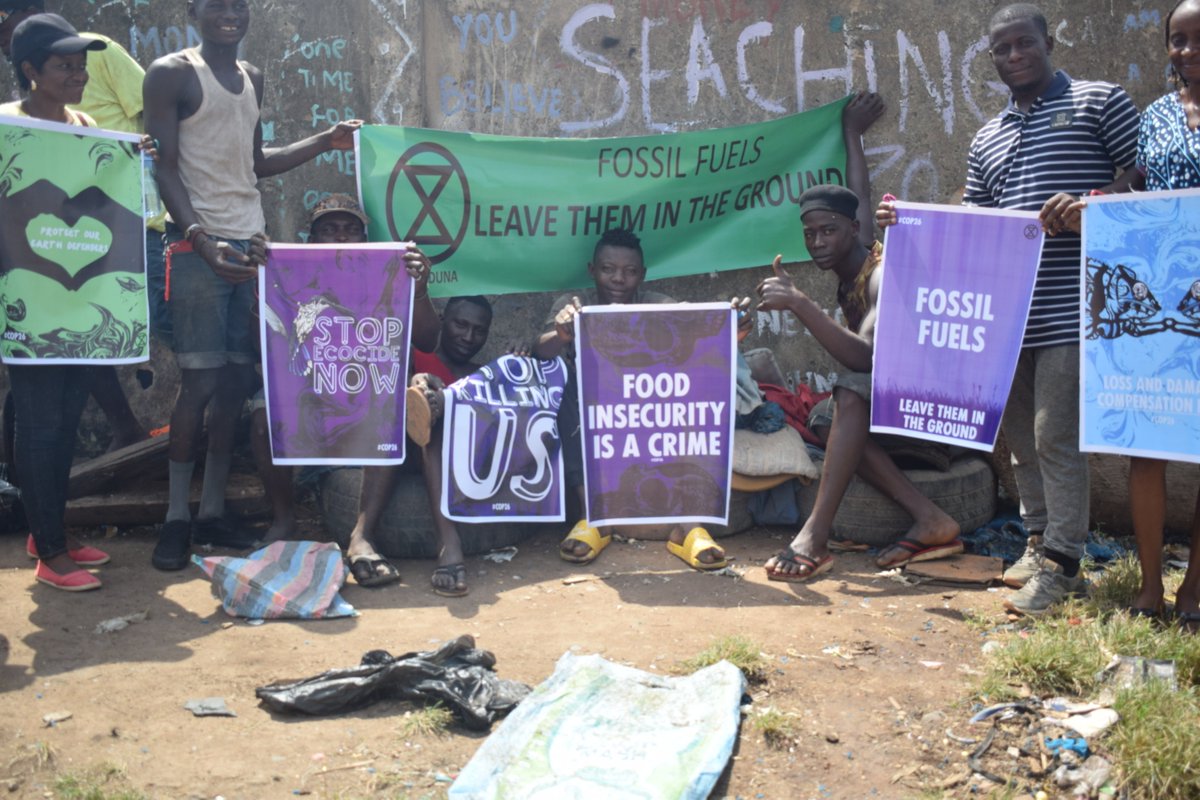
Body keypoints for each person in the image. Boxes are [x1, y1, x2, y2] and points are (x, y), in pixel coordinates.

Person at [879, 3, 1140, 615]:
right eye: (1003, 49)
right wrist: (909, 220)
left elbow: (1143, 178)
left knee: (1056, 438)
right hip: (1006, 318)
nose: (1015, 56)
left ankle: (1065, 568)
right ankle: (1037, 539)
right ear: (992, 59)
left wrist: (1090, 204)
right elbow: (973, 222)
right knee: (1021, 440)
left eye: (1025, 44)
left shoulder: (1100, 101)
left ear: (1049, 42)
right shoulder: (988, 137)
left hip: (1079, 306)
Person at [143, 0, 362, 570]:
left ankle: (212, 511)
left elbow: (256, 163)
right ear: (195, 11)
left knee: (238, 382)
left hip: (252, 248)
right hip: (197, 250)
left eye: (238, 7)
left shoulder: (252, 78)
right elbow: (163, 167)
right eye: (217, 7)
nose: (229, 15)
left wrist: (323, 140)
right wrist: (199, 236)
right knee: (197, 383)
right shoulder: (171, 74)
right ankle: (175, 520)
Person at [0, 13, 145, 590]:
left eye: (81, 65)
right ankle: (50, 554)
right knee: (39, 422)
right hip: (27, 300)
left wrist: (135, 160)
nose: (79, 75)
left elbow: (98, 202)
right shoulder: (5, 127)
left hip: (79, 297)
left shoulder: (84, 124)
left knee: (64, 420)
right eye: (65, 66)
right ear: (30, 70)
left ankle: (48, 532)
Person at [756, 183, 962, 582]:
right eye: (809, 233)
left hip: (936, 422)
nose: (817, 241)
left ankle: (814, 538)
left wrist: (799, 303)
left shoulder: (881, 274)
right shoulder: (854, 259)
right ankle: (931, 519)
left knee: (850, 390)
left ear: (853, 230)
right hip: (897, 415)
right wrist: (851, 132)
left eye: (828, 230)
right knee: (822, 416)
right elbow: (861, 194)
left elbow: (867, 359)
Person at [533, 227, 751, 571]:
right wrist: (560, 334)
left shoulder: (659, 305)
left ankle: (688, 524)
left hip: (650, 409)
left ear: (643, 274)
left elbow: (696, 335)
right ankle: (593, 516)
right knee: (568, 385)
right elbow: (540, 353)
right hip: (597, 419)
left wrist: (729, 329)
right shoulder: (574, 307)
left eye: (629, 271)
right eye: (608, 269)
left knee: (690, 391)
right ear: (592, 270)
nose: (618, 279)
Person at [250, 194, 439, 549]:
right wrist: (260, 286)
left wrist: (420, 288)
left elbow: (428, 341)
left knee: (387, 411)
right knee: (262, 416)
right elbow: (259, 345)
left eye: (351, 231)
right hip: (312, 389)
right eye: (330, 230)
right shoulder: (289, 279)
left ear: (365, 242)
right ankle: (284, 520)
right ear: (311, 241)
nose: (341, 238)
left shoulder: (392, 276)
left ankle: (361, 536)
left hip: (366, 387)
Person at [1120, 0, 1200, 630]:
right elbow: (1139, 202)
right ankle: (1149, 586)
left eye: (1198, 39)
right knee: (1148, 443)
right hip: (1165, 301)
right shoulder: (1152, 118)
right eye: (1177, 40)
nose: (1187, 51)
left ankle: (1193, 591)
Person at [369, 294, 493, 596]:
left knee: (436, 418)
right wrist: (419, 384)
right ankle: (447, 544)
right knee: (416, 405)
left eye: (479, 330)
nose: (468, 336)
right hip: (409, 452)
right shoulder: (417, 360)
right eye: (460, 325)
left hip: (459, 459)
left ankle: (448, 543)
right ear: (442, 322)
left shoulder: (484, 375)